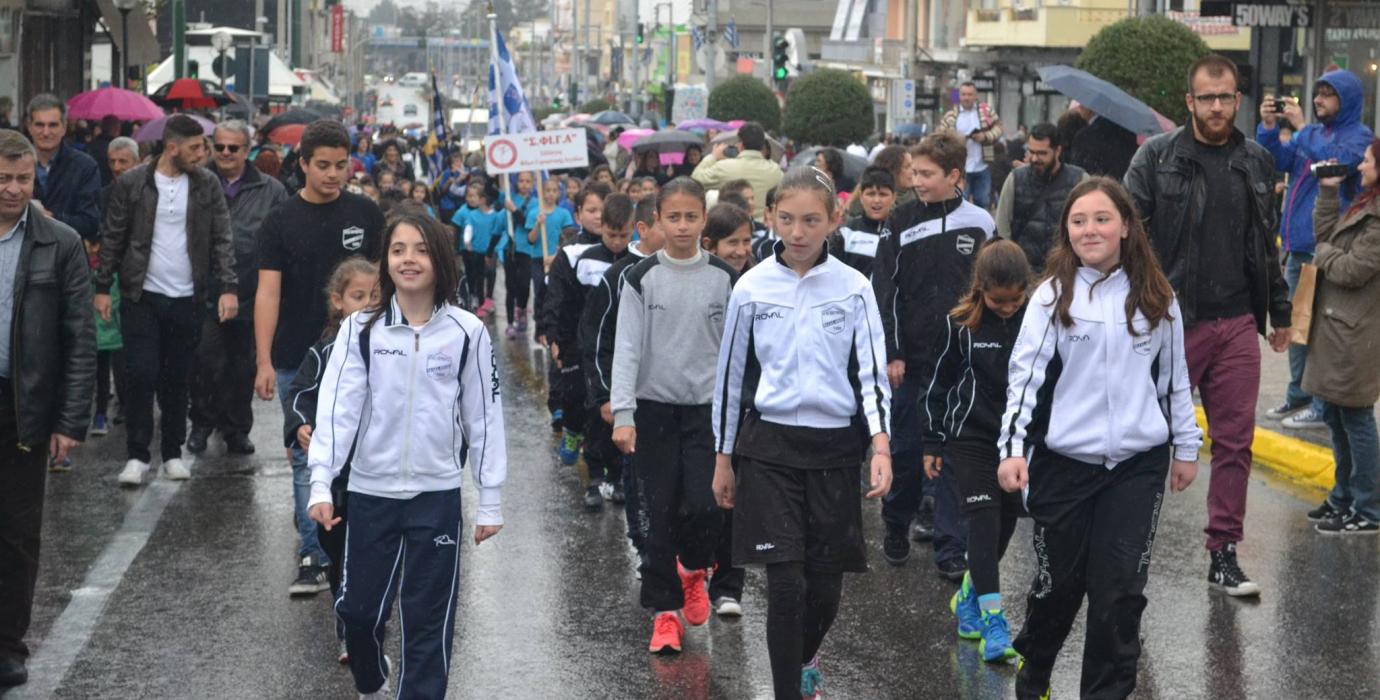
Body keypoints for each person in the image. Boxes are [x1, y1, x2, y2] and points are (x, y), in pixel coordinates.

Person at [997, 177, 1202, 699]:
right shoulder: (1052, 296)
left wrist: (1186, 446)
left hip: (1136, 465)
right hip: (1064, 464)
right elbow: (1025, 378)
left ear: (1126, 226)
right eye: (1079, 221)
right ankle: (1036, 667)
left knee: (1120, 593)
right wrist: (1013, 449)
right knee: (1058, 588)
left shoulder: (1157, 296)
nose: (1090, 229)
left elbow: (1174, 379)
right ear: (1067, 230)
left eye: (1102, 219)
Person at [306, 212, 506, 698]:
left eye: (420, 249)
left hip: (436, 496)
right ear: (386, 261)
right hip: (370, 493)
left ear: (440, 260)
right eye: (398, 250)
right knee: (358, 613)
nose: (408, 260)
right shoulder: (360, 329)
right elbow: (337, 410)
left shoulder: (466, 331)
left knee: (428, 620)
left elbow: (483, 415)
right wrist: (321, 482)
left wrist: (490, 498)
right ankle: (372, 678)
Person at [712, 166, 892, 700]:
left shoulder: (855, 287)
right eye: (787, 219)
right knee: (786, 583)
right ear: (770, 216)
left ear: (834, 219)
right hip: (768, 449)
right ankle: (787, 690)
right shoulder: (750, 287)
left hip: (834, 449)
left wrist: (880, 445)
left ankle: (805, 656)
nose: (797, 232)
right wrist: (723, 459)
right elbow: (728, 380)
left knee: (825, 589)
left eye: (811, 220)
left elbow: (873, 375)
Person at [1124, 54, 1291, 597]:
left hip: (1238, 320)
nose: (1216, 107)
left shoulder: (1257, 160)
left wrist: (1280, 311)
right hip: (1172, 321)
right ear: (1190, 102)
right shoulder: (1157, 158)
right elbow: (1128, 235)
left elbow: (1266, 243)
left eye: (1225, 97)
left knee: (1236, 442)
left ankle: (1224, 553)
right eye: (1206, 98)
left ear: (1237, 100)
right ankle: (1128, 550)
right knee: (1146, 438)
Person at [252, 119, 385, 597]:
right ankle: (313, 555)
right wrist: (264, 360)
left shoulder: (366, 215)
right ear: (303, 164)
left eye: (340, 165)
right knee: (306, 456)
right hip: (295, 356)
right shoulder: (280, 220)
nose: (332, 174)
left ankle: (346, 543)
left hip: (361, 356)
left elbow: (383, 286)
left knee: (357, 454)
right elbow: (268, 292)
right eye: (323, 165)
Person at [607, 178, 739, 654]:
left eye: (691, 217)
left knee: (706, 505)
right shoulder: (640, 277)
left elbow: (738, 350)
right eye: (673, 217)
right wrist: (623, 413)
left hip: (708, 411)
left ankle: (693, 569)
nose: (682, 226)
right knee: (658, 513)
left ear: (704, 220)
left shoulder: (725, 278)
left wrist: (740, 409)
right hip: (654, 411)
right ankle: (664, 613)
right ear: (657, 221)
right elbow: (626, 347)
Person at [0, 129, 95, 689]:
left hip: (23, 403)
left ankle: (8, 645)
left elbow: (79, 336)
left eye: (23, 178)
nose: (13, 189)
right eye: (3, 178)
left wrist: (70, 419)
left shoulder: (60, 242)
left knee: (16, 532)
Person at [874, 132, 993, 575]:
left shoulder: (981, 223)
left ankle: (950, 548)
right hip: (912, 363)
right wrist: (894, 351)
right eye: (914, 173)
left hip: (960, 363)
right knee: (907, 453)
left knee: (954, 455)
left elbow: (990, 289)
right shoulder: (900, 220)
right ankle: (895, 522)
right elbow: (884, 289)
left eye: (926, 174)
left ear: (955, 175)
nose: (917, 181)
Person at [95, 114, 237, 486]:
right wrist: (102, 286)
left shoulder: (207, 184)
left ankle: (173, 453)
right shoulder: (133, 183)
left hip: (188, 297)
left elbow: (222, 237)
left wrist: (228, 287)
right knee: (140, 374)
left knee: (177, 378)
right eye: (195, 147)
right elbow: (113, 236)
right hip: (141, 294)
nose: (203, 154)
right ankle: (137, 456)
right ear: (172, 148)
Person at [919, 239, 1030, 664]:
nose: (1007, 308)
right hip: (970, 439)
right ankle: (994, 622)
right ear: (980, 288)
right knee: (983, 523)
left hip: (1015, 441)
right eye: (998, 301)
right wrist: (932, 440)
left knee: (1004, 526)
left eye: (1015, 299)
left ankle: (968, 597)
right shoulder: (959, 324)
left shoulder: (1035, 322)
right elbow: (937, 384)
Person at [1257, 69, 1375, 430]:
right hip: (1299, 246)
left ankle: (1321, 406)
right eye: (1317, 93)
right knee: (1297, 327)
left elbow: (1335, 163)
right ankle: (1299, 395)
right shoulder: (1314, 134)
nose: (1317, 100)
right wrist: (1268, 127)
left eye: (1327, 94)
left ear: (1346, 100)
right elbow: (1277, 159)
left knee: (1324, 334)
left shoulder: (1358, 137)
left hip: (1329, 250)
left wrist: (1301, 126)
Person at [282, 256, 379, 665]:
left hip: (379, 474)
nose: (368, 304)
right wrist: (301, 426)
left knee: (376, 558)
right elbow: (301, 394)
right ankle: (347, 630)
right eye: (358, 296)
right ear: (338, 301)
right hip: (339, 478)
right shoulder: (324, 351)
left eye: (375, 296)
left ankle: (372, 627)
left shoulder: (391, 345)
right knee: (342, 558)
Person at [188, 120, 288, 456]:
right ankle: (201, 425)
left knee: (242, 366)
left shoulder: (271, 190)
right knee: (205, 362)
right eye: (220, 147)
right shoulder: (197, 182)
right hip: (204, 291)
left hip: (251, 291)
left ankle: (236, 430)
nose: (226, 153)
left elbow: (281, 239)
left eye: (234, 147)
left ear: (247, 150)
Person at [1302, 143, 1380, 535]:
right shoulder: (1364, 206)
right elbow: (1324, 235)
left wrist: (1323, 253)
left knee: (1356, 419)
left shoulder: (1377, 220)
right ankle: (1343, 497)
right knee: (1335, 416)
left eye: (1368, 160)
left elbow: (1352, 270)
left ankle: (1370, 508)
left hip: (1357, 336)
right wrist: (1329, 190)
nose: (1361, 166)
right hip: (1337, 330)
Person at [585, 197, 664, 567]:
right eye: (669, 220)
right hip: (633, 397)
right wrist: (606, 395)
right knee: (640, 480)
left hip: (680, 399)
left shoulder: (693, 271)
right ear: (644, 228)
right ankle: (646, 549)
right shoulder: (618, 276)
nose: (679, 229)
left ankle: (679, 555)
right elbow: (598, 340)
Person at [558, 193, 636, 509]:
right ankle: (593, 476)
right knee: (593, 413)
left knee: (619, 416)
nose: (617, 242)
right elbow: (571, 306)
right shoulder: (585, 260)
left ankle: (616, 477)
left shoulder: (637, 263)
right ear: (601, 227)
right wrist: (565, 345)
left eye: (623, 235)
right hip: (590, 352)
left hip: (623, 352)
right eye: (611, 234)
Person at [540, 182, 612, 462]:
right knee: (574, 395)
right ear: (578, 214)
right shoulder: (570, 252)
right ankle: (572, 429)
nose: (598, 216)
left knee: (600, 400)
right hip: (574, 340)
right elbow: (555, 297)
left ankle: (600, 462)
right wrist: (553, 335)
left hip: (606, 341)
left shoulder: (620, 249)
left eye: (603, 210)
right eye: (591, 210)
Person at [996, 121, 1088, 272]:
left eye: (1041, 153)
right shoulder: (1015, 179)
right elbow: (1002, 227)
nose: (1034, 159)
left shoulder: (1079, 180)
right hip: (1024, 272)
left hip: (1065, 271)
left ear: (1057, 151)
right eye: (1031, 152)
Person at [25, 94, 102, 242]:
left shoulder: (85, 167)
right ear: (29, 127)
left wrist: (50, 218)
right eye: (39, 125)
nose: (46, 132)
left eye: (53, 125)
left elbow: (91, 223)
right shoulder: (12, 165)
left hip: (66, 253)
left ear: (64, 128)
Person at [692, 122, 783, 214]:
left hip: (731, 220)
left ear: (741, 145)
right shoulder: (775, 170)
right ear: (762, 145)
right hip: (763, 221)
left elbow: (695, 180)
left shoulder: (724, 167)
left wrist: (713, 156)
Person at [940, 82, 1003, 209]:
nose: (967, 98)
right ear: (959, 96)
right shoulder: (951, 116)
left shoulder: (986, 112)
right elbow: (940, 137)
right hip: (961, 167)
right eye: (964, 94)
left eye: (970, 94)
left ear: (975, 96)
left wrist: (985, 136)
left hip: (983, 165)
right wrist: (956, 140)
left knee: (983, 201)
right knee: (960, 202)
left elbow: (999, 128)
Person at [828, 167, 896, 277]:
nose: (876, 200)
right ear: (861, 197)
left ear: (893, 197)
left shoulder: (901, 232)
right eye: (871, 194)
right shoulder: (846, 232)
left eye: (883, 194)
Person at [528, 177, 576, 322]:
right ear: (542, 193)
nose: (550, 193)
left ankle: (554, 321)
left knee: (556, 291)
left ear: (559, 193)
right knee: (539, 291)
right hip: (539, 259)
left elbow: (568, 237)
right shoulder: (534, 213)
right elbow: (531, 239)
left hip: (557, 258)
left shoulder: (564, 213)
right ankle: (539, 322)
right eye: (547, 190)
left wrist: (558, 253)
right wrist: (538, 224)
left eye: (554, 190)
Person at [501, 172, 537, 337]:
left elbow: (526, 223)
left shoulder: (535, 203)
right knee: (510, 286)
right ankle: (510, 323)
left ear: (532, 184)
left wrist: (514, 210)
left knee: (524, 285)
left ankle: (521, 309)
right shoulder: (509, 197)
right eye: (521, 181)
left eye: (528, 181)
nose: (524, 184)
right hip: (510, 247)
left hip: (526, 249)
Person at [1067, 102, 1138, 181]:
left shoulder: (1085, 135)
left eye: (1083, 104)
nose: (1080, 106)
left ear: (1091, 108)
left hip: (1097, 184)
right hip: (1122, 183)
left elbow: (1080, 171)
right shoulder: (1128, 131)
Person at [700, 202, 754, 274]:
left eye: (746, 241)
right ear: (708, 245)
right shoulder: (696, 279)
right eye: (733, 242)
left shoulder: (757, 276)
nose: (741, 252)